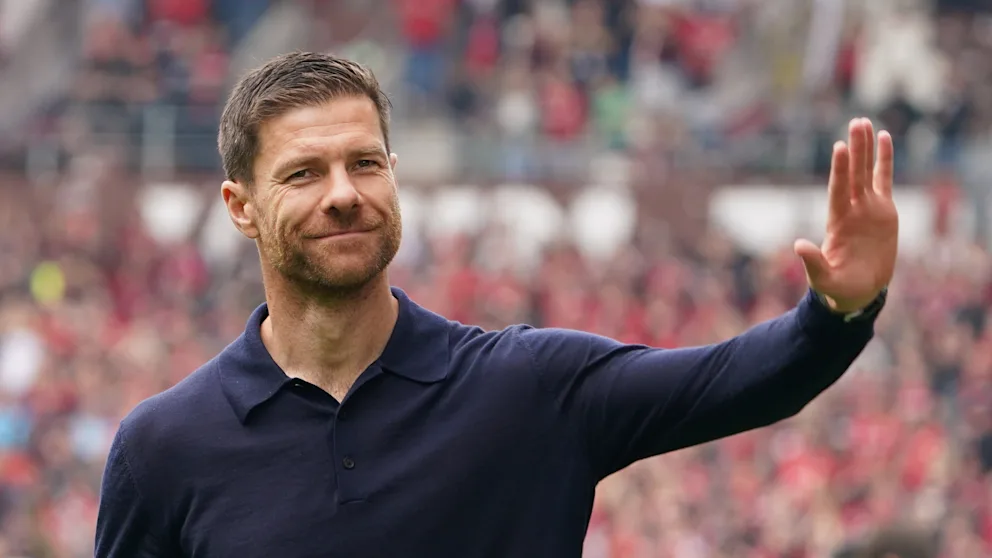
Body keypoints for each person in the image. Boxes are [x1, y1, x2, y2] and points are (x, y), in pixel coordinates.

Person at [94, 52, 899, 557]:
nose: (343, 193)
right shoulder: (164, 449)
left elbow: (742, 380)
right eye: (304, 173)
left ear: (393, 174)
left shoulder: (527, 387)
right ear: (240, 206)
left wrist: (841, 309)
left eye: (364, 163)